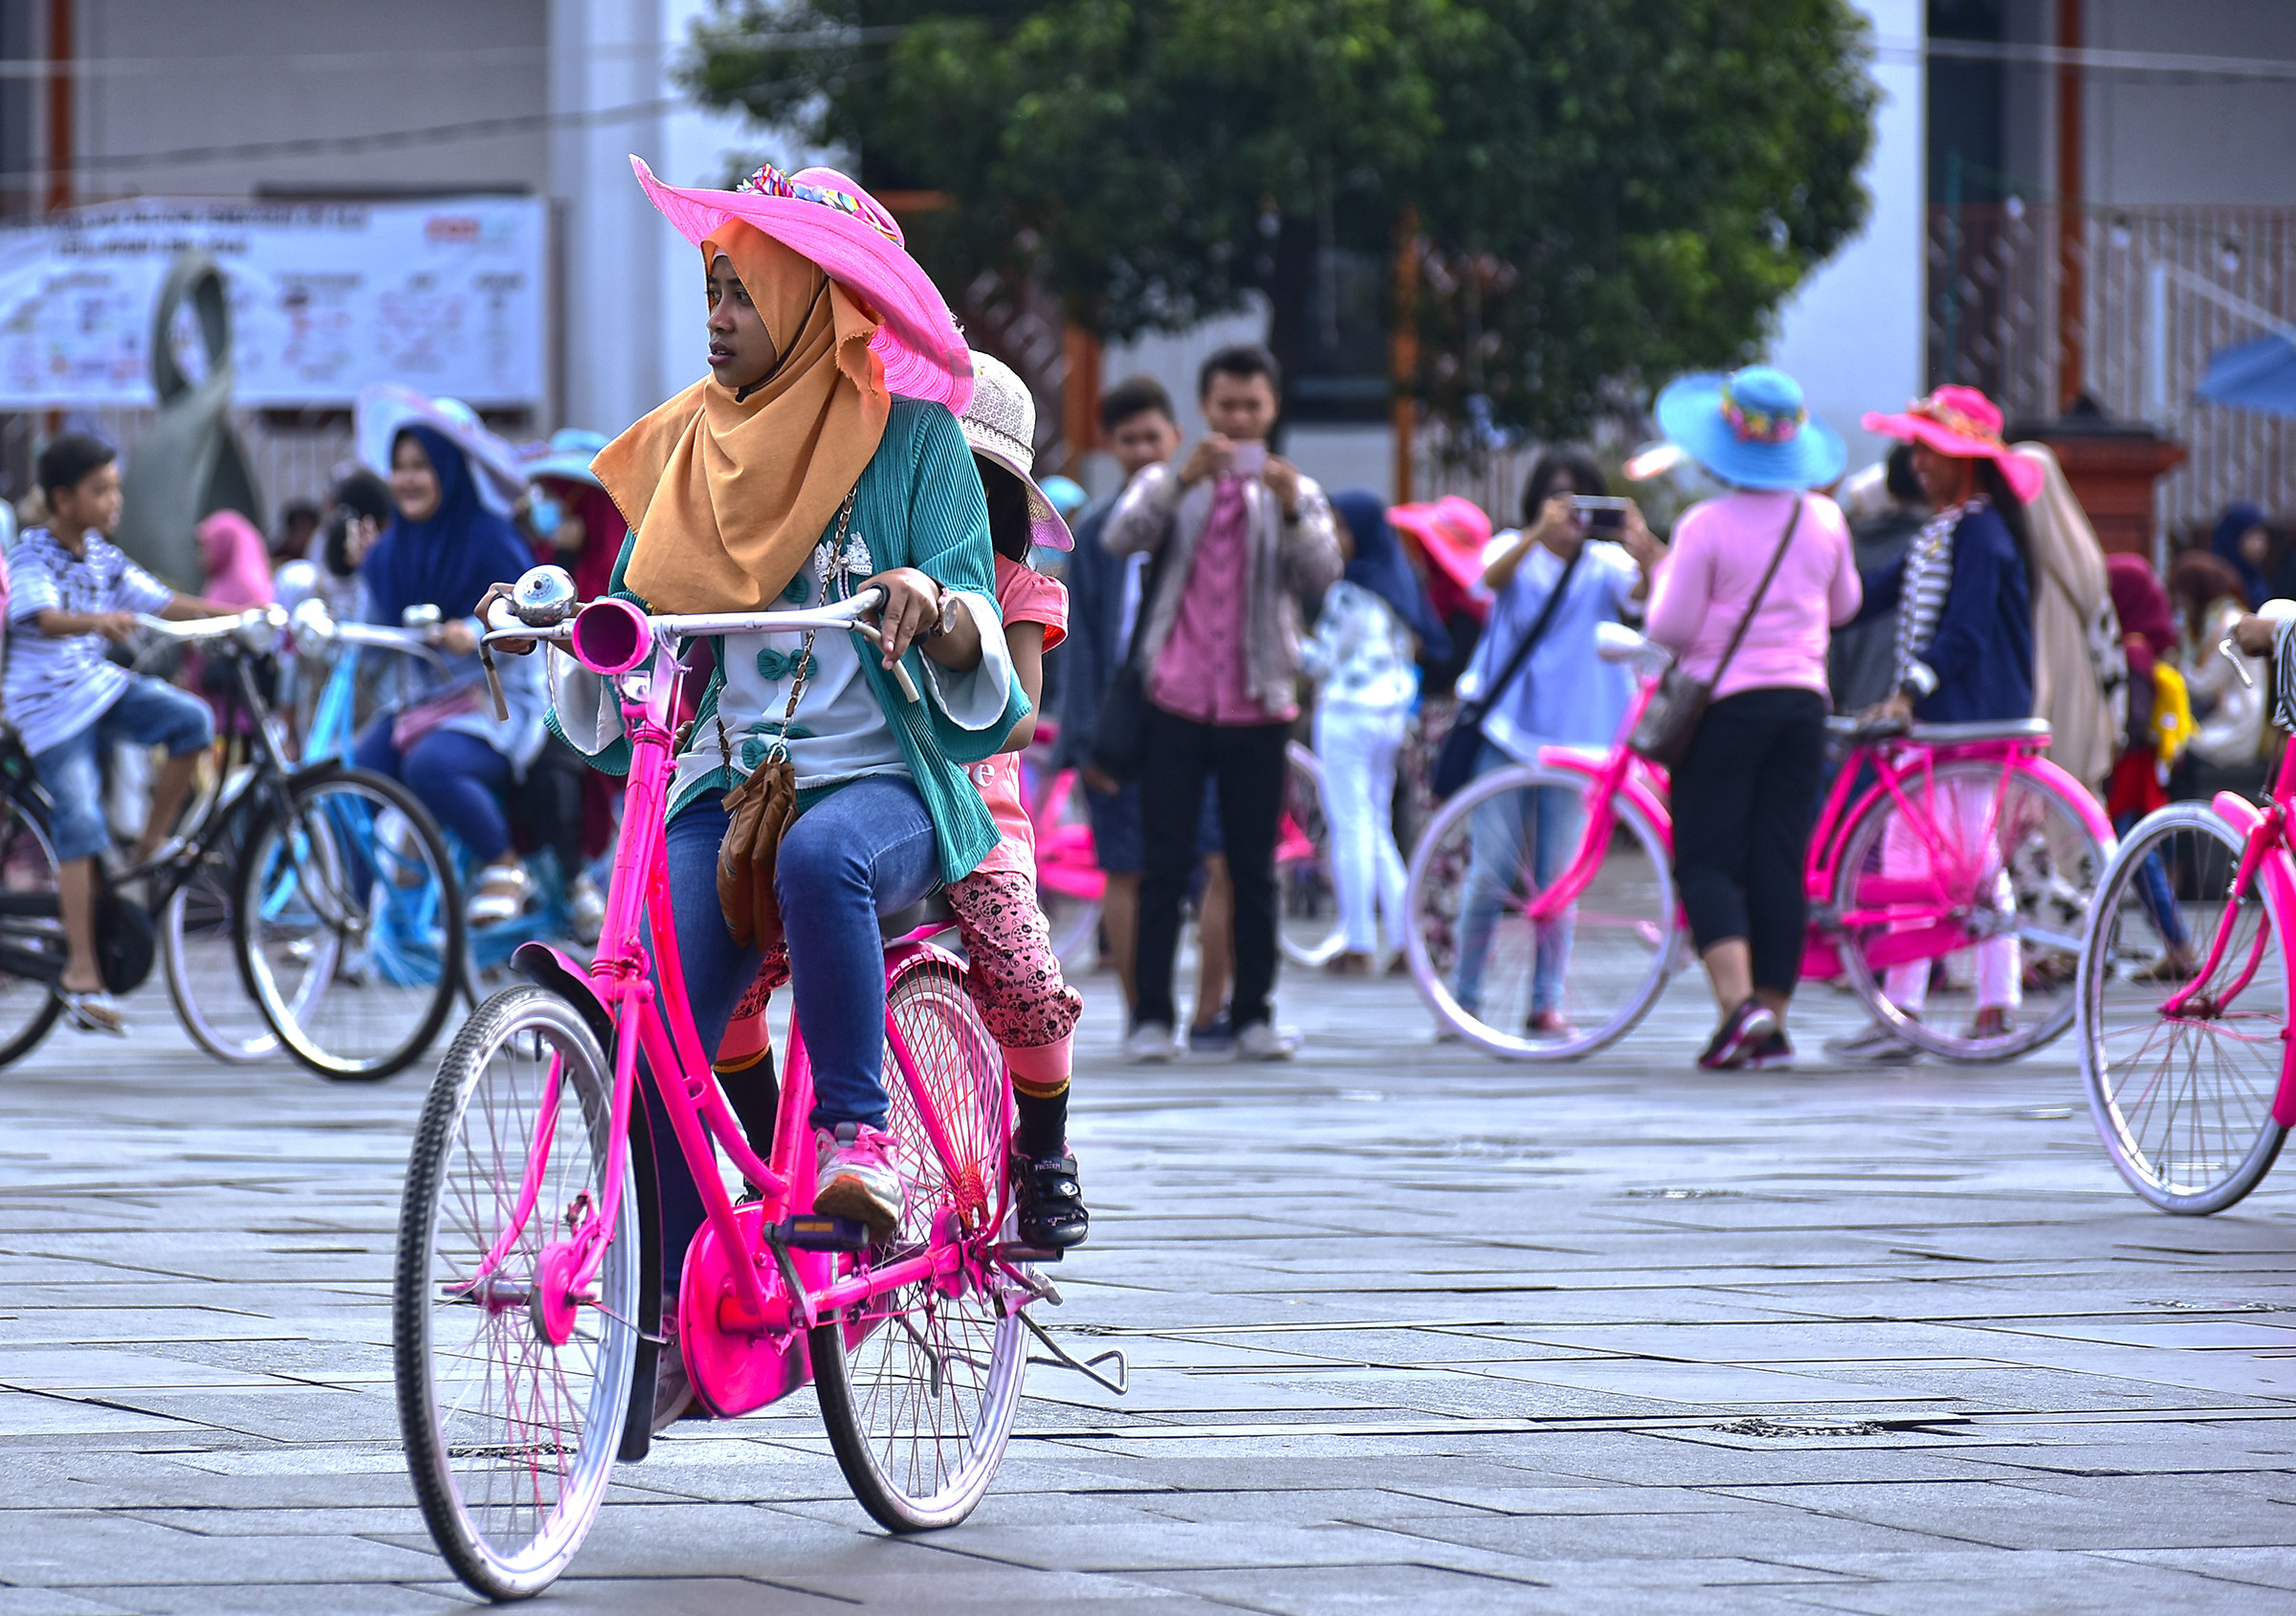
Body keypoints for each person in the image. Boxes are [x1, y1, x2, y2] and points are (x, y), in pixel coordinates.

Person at [510, 159, 1019, 1426]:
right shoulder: (688, 442)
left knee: (825, 860)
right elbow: (625, 616)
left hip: (887, 784)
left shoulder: (919, 446)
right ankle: (662, 1305)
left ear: (814, 299)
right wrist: (566, 627)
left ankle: (856, 1141)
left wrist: (937, 607)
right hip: (726, 787)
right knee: (652, 1011)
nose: (719, 314)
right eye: (713, 288)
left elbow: (987, 654)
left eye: (743, 292)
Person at [1102, 343, 1344, 1063]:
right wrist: (1180, 480)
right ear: (1205, 407)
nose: (1239, 419)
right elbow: (1120, 536)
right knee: (1163, 862)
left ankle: (1252, 1015)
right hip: (1175, 696)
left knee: (1253, 868)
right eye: (1227, 405)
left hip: (1259, 701)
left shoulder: (1294, 489)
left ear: (1272, 410)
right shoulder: (1173, 478)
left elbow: (1322, 572)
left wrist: (1294, 506)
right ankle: (1150, 1017)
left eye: (1253, 406)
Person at [1645, 367, 1858, 1070]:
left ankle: (1738, 1010)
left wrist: (1658, 577)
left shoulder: (1705, 525)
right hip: (1803, 704)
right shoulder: (1823, 517)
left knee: (1708, 856)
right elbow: (1844, 606)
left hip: (1727, 706)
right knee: (1778, 858)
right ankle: (1772, 1017)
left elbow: (1671, 627)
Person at [1826, 384, 2043, 1061]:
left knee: (1969, 857)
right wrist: (1806, 603)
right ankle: (1908, 1003)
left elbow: (1966, 630)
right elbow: (1867, 597)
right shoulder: (1943, 529)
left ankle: (1992, 999)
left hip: (1967, 714)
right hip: (1942, 716)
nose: (1917, 461)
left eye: (1931, 450)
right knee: (1915, 851)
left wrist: (1910, 690)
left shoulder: (1982, 530)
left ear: (1967, 460)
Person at [4, 435, 233, 1033]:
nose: (114, 500)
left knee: (192, 723)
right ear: (62, 499)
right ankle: (82, 968)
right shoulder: (33, 554)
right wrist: (95, 621)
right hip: (49, 707)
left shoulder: (103, 556)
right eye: (100, 490)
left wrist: (241, 614)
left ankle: (150, 845)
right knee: (79, 821)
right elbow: (42, 618)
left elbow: (163, 600)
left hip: (96, 687)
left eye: (115, 487)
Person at [1449, 451, 1657, 1039]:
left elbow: (1646, 599)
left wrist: (1644, 549)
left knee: (1557, 878)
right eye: (1558, 498)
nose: (1571, 513)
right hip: (1508, 728)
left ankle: (1544, 1002)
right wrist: (1537, 534)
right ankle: (1465, 997)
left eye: (1582, 499)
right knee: (1490, 868)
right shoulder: (1514, 547)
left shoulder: (1606, 563)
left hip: (1579, 737)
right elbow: (1485, 582)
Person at [1057, 375, 1238, 1043]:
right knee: (1125, 867)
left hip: (1208, 715)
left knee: (1222, 863)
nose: (1141, 450)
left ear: (1177, 436)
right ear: (1111, 446)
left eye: (1151, 437)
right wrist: (1083, 744)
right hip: (1125, 721)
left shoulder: (1214, 510)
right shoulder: (1101, 529)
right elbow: (1080, 643)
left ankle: (1210, 1010)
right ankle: (1144, 1015)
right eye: (1127, 440)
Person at [351, 389, 550, 927]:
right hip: (421, 705)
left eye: (421, 466)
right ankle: (350, 916)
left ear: (449, 470)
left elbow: (524, 610)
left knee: (430, 765)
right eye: (399, 467)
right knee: (354, 773)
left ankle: (504, 867)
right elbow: (368, 629)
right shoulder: (389, 552)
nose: (407, 479)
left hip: (496, 706)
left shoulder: (493, 539)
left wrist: (472, 628)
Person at [1303, 491, 1450, 973]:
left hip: (1347, 713)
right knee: (1376, 826)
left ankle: (1359, 941)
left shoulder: (1350, 591)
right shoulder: (1398, 587)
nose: (1335, 539)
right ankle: (1410, 939)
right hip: (1390, 717)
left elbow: (1319, 659)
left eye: (1341, 528)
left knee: (1350, 826)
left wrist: (1281, 638)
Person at [2110, 554, 2195, 982]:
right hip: (2137, 772)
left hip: (2126, 771)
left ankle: (2178, 946)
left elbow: (2133, 719)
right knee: (2139, 858)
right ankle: (2175, 945)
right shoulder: (2144, 647)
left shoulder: (2131, 649)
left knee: (2136, 858)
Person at [2018, 441, 2118, 798]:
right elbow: (2108, 642)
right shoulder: (2086, 556)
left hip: (2043, 707)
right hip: (2087, 699)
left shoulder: (2028, 572)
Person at [1826, 445, 1927, 714]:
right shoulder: (1936, 548)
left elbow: (1834, 626)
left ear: (1889, 488)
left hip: (1854, 710)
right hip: (1915, 712)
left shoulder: (1849, 545)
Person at [2169, 550, 2263, 772]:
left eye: (2184, 597)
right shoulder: (2221, 618)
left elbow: (2203, 685)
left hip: (2233, 729)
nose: (2181, 605)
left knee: (2170, 739)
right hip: (2223, 721)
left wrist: (2174, 662)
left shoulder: (2229, 625)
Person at [2213, 501, 2271, 609]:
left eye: (2262, 534)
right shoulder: (2219, 581)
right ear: (2233, 538)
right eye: (2253, 534)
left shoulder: (2255, 579)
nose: (2261, 542)